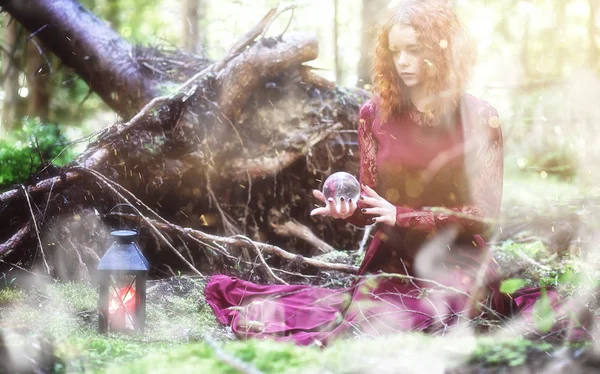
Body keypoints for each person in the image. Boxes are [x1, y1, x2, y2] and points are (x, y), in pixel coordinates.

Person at [205, 0, 568, 346]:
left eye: (413, 50)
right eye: (395, 52)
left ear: (443, 50)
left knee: (449, 310)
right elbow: (371, 202)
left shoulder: (480, 116)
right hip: (392, 258)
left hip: (458, 259)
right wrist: (349, 211)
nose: (402, 62)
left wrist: (405, 215)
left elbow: (485, 215)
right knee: (377, 317)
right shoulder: (373, 114)